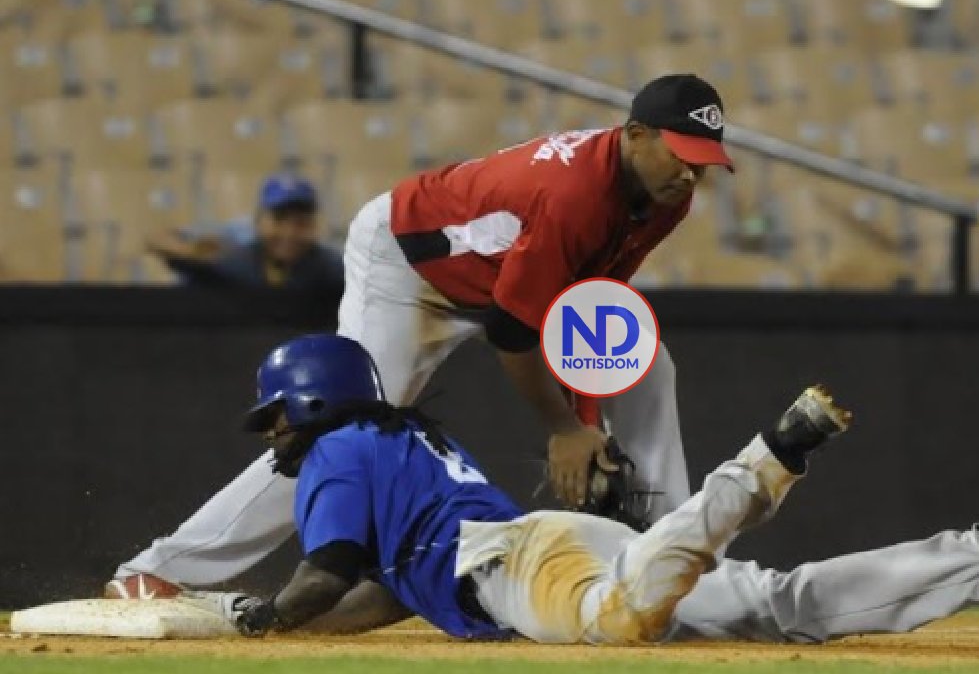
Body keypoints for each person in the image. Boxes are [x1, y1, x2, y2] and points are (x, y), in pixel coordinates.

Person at [107, 74, 734, 598]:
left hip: (494, 272)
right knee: (344, 426)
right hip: (408, 264)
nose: (691, 173)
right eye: (681, 152)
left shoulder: (665, 195)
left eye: (704, 160)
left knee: (647, 365)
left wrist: (590, 419)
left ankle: (673, 565)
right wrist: (565, 430)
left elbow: (592, 311)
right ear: (635, 135)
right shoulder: (574, 192)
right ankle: (159, 571)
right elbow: (511, 332)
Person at [192, 334, 979, 643]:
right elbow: (383, 589)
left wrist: (263, 618)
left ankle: (767, 459)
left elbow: (326, 571)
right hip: (536, 547)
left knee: (621, 619)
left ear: (313, 401)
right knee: (777, 607)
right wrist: (305, 619)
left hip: (520, 573)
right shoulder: (397, 439)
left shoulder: (337, 449)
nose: (273, 432)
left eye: (276, 415)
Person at [146, 172, 343, 291]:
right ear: (258, 221)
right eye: (279, 220)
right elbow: (156, 239)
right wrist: (191, 252)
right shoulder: (233, 258)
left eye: (301, 223)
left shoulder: (325, 265)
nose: (289, 233)